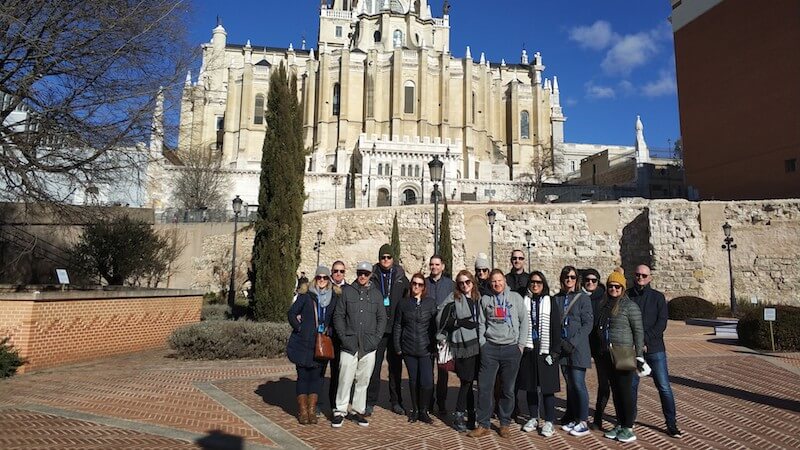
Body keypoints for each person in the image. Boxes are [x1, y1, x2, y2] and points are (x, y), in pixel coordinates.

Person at [467, 269, 528, 439]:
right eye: (494, 281)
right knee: (485, 387)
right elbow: (481, 322)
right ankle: (484, 424)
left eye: (499, 280)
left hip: (511, 348)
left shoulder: (515, 298)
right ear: (490, 283)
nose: (497, 284)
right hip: (490, 348)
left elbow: (524, 322)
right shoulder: (485, 300)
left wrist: (520, 345)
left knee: (507, 389)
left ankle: (504, 423)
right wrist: (482, 343)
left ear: (505, 281)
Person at [628, 264, 683, 438]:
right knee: (631, 387)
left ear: (650, 278)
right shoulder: (627, 296)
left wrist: (644, 339)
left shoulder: (658, 297)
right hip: (633, 349)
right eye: (637, 275)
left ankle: (671, 423)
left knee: (664, 386)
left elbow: (661, 323)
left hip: (655, 348)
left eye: (644, 275)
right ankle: (628, 421)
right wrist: (637, 342)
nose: (640, 278)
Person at [331, 262, 387, 428]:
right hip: (350, 344)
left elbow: (382, 319)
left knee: (363, 381)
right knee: (345, 379)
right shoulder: (347, 292)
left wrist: (375, 339)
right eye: (360, 273)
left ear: (370, 275)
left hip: (368, 345)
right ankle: (340, 411)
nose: (362, 276)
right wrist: (343, 337)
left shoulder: (376, 295)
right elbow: (338, 316)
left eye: (366, 273)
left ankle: (357, 411)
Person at [287, 266, 341, 425]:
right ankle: (303, 411)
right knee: (303, 377)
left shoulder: (333, 298)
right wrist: (299, 328)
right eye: (319, 277)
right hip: (304, 343)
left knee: (317, 379)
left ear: (329, 280)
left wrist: (330, 331)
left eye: (325, 278)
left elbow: (335, 319)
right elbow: (291, 313)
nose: (322, 280)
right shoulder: (306, 297)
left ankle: (312, 410)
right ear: (315, 279)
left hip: (321, 344)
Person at [596, 271, 645, 443]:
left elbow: (639, 332)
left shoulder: (629, 306)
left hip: (623, 354)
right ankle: (620, 423)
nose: (613, 289)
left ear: (623, 288)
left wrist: (639, 356)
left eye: (617, 286)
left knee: (625, 392)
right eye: (610, 286)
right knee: (616, 392)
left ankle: (628, 427)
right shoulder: (605, 304)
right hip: (607, 355)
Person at [518, 271, 561, 437]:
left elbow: (556, 328)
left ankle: (549, 421)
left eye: (538, 282)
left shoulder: (550, 302)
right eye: (532, 282)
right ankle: (533, 417)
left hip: (546, 349)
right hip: (529, 348)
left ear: (543, 285)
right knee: (530, 386)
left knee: (547, 388)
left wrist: (555, 351)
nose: (535, 285)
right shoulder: (525, 301)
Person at [437, 270, 482, 432]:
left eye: (467, 282)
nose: (464, 286)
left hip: (478, 345)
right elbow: (440, 315)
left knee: (470, 382)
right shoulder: (454, 297)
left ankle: (470, 416)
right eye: (461, 283)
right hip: (463, 346)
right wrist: (458, 322)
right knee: (466, 381)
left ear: (472, 282)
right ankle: (458, 415)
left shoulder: (478, 297)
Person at [367, 244, 409, 416]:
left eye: (388, 257)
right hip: (377, 329)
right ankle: (370, 401)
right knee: (374, 367)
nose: (386, 260)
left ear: (393, 259)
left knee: (395, 368)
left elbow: (409, 300)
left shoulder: (401, 277)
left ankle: (396, 401)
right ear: (379, 259)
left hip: (395, 330)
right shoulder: (372, 276)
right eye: (383, 257)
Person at [394, 273, 438, 424]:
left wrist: (435, 344)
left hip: (425, 348)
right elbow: (398, 325)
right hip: (409, 347)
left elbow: (435, 325)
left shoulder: (430, 303)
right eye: (414, 284)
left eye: (420, 284)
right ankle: (415, 410)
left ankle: (424, 410)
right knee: (413, 380)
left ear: (424, 287)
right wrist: (397, 346)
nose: (416, 287)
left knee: (426, 381)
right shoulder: (403, 303)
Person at [555, 265, 593, 437]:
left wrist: (573, 342)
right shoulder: (557, 298)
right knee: (569, 385)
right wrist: (561, 342)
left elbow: (587, 324)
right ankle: (574, 416)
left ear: (576, 280)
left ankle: (583, 421)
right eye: (566, 277)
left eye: (572, 277)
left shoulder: (583, 298)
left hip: (577, 348)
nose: (569, 280)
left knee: (578, 384)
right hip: (563, 348)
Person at [426, 255, 454, 415]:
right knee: (428, 370)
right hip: (427, 332)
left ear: (442, 266)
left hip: (444, 334)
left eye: (437, 264)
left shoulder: (450, 285)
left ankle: (441, 402)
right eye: (432, 264)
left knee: (443, 370)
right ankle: (428, 402)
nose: (434, 267)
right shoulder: (424, 283)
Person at [584, 267, 610, 430]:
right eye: (587, 280)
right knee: (577, 381)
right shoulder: (580, 297)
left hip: (601, 347)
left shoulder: (605, 297)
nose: (590, 283)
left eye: (594, 280)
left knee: (605, 383)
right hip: (584, 345)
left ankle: (599, 417)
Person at [325, 260, 348, 414]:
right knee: (323, 372)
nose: (338, 274)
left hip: (343, 338)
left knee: (341, 373)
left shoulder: (349, 289)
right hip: (328, 336)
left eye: (341, 271)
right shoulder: (325, 287)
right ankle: (327, 403)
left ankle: (338, 404)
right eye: (335, 271)